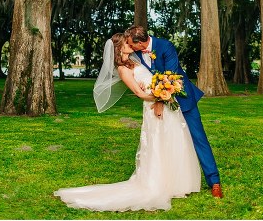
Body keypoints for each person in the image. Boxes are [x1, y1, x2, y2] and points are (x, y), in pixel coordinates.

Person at [54, 33, 201, 211]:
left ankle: (178, 183)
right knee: (159, 143)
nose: (129, 44)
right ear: (119, 48)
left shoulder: (136, 59)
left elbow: (156, 73)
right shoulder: (123, 69)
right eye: (125, 43)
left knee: (174, 138)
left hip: (165, 102)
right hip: (153, 106)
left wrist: (166, 95)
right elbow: (139, 94)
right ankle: (158, 183)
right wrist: (160, 97)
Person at [124, 24, 223, 198]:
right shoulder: (136, 54)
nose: (131, 47)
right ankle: (174, 180)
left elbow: (170, 75)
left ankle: (214, 181)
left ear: (141, 42)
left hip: (183, 100)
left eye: (133, 44)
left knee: (198, 138)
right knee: (171, 141)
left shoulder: (165, 46)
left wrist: (160, 101)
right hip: (161, 105)